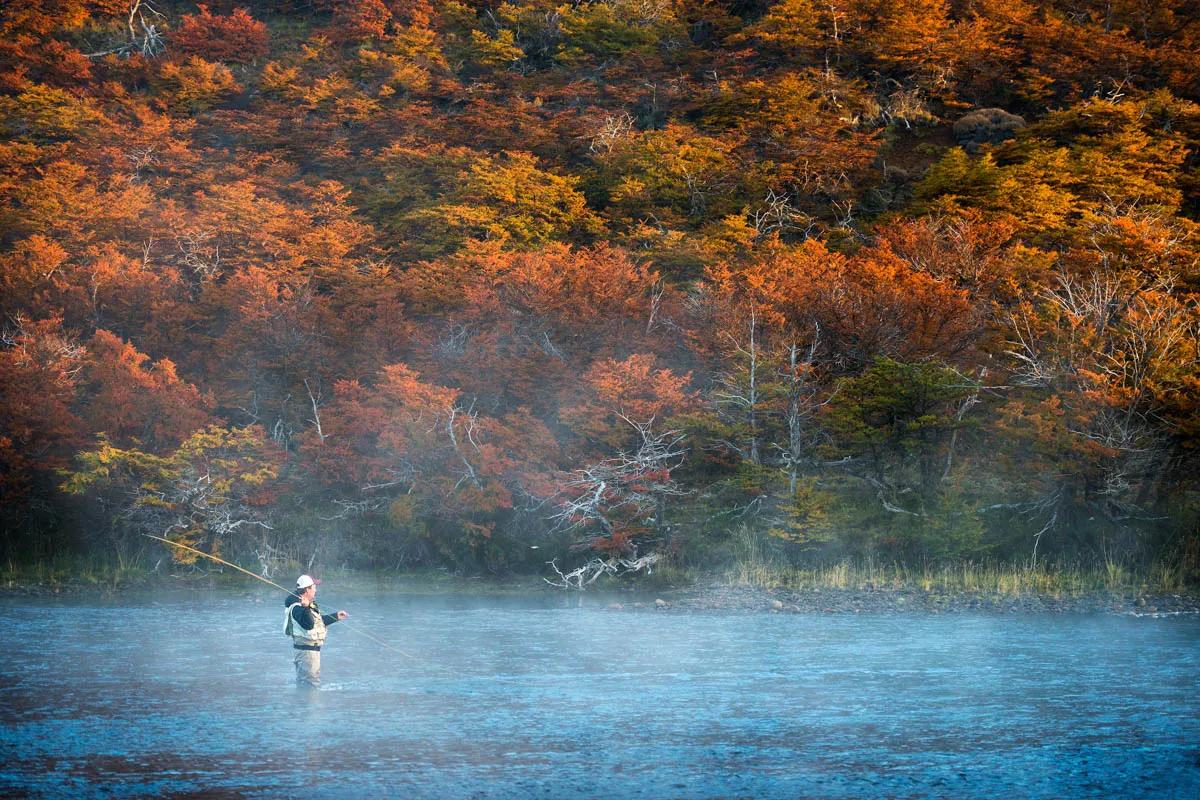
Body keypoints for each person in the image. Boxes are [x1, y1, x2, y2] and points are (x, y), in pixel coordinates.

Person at [283, 574, 347, 688]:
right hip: (306, 654)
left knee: (307, 685)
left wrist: (336, 616)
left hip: (310, 653)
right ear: (307, 589)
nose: (315, 590)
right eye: (314, 587)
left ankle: (305, 703)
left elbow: (318, 622)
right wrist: (306, 608)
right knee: (311, 687)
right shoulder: (297, 608)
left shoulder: (306, 605)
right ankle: (309, 705)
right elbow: (309, 625)